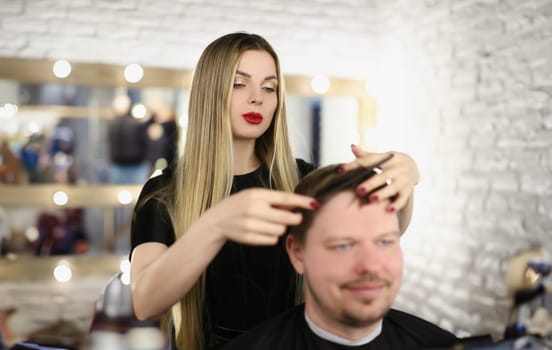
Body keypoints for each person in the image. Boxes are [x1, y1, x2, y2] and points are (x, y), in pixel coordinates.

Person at [129, 32, 420, 350]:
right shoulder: (163, 195)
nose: (258, 98)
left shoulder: (301, 180)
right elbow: (145, 302)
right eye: (240, 84)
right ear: (209, 92)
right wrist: (216, 224)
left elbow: (389, 229)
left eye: (269, 88)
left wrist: (404, 179)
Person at [224, 164, 457, 349]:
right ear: (298, 253)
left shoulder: (443, 345)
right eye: (343, 246)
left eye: (385, 242)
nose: (371, 265)